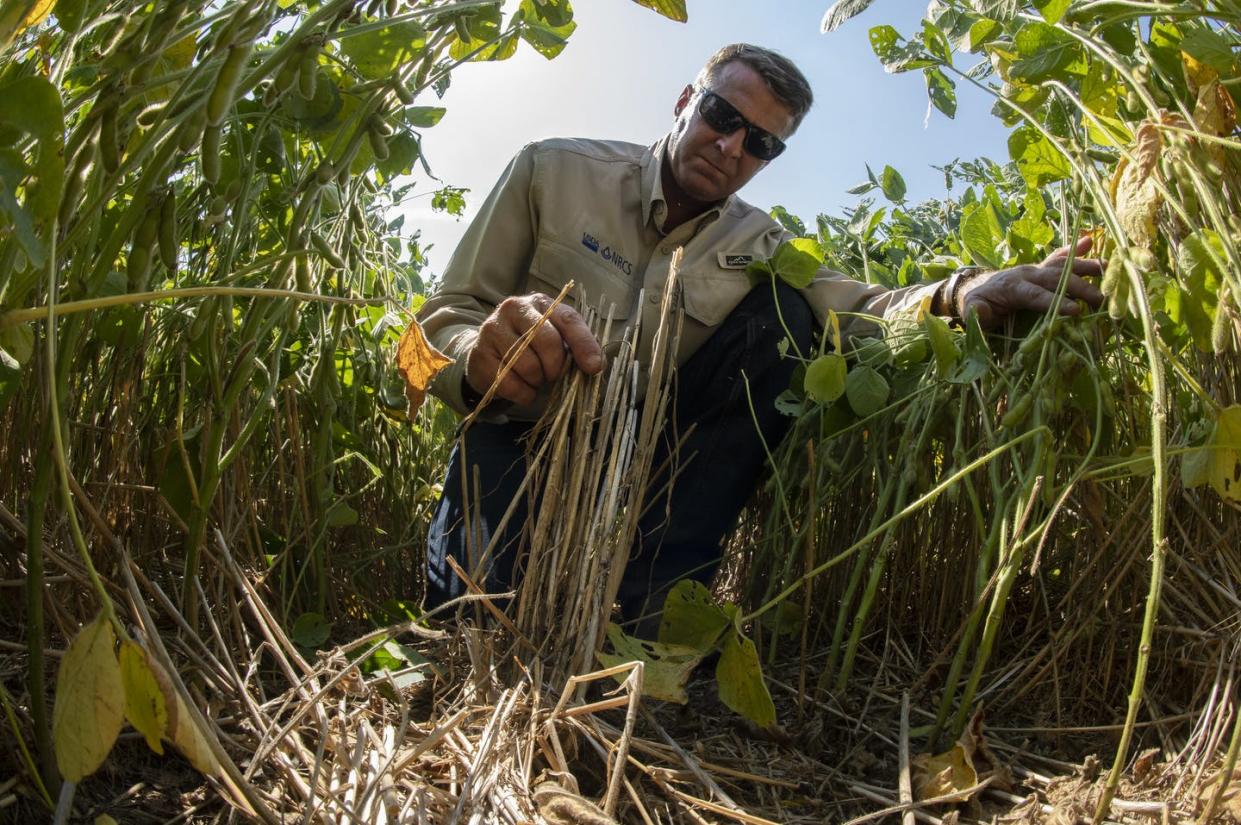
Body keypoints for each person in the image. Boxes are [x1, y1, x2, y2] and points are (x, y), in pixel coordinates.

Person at [416, 43, 1103, 627]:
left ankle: (654, 604)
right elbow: (433, 323)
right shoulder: (552, 170)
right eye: (721, 115)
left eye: (759, 143)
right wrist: (476, 361)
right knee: (468, 627)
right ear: (686, 99)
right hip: (517, 443)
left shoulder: (764, 244)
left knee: (789, 316)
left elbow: (860, 310)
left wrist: (959, 294)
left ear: (768, 158)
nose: (730, 145)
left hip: (649, 475)